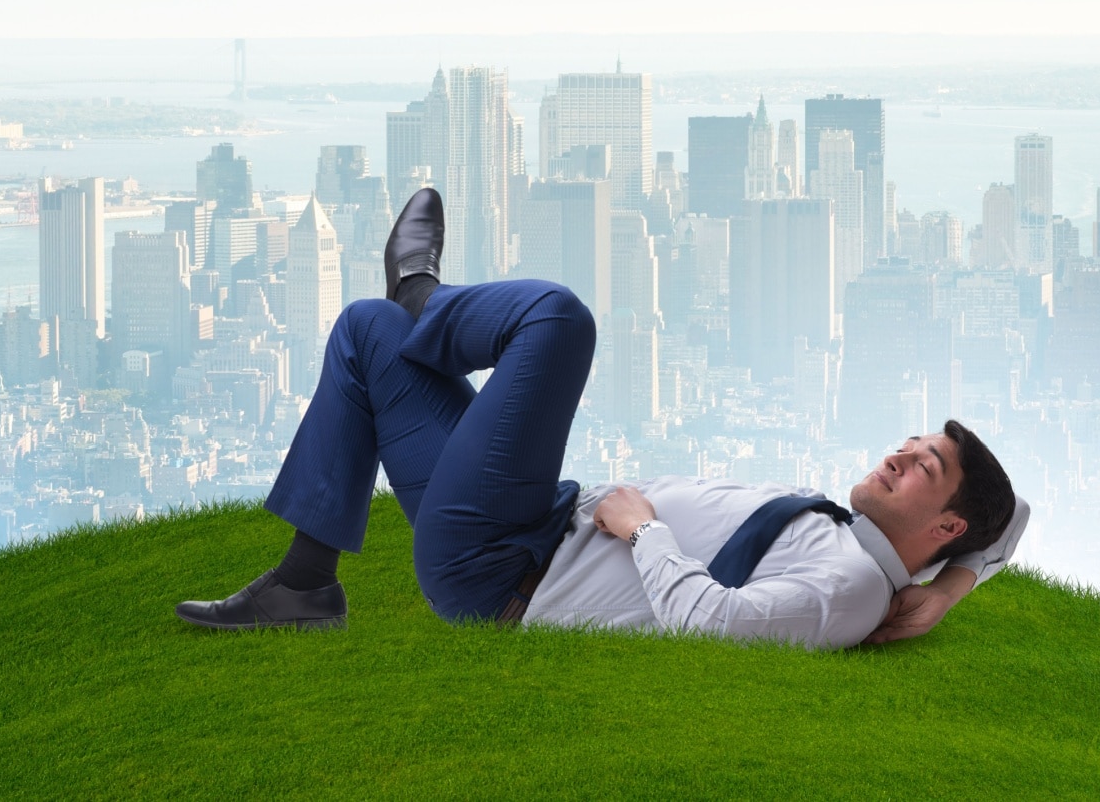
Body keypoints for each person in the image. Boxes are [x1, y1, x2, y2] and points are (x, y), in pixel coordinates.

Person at [177, 189, 1030, 649]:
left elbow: (715, 626)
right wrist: (949, 588)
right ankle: (305, 584)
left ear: (946, 522)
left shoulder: (846, 589)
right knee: (367, 331)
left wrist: (644, 528)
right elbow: (1013, 515)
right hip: (527, 520)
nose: (897, 456)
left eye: (922, 467)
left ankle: (423, 293)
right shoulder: (885, 552)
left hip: (505, 567)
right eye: (911, 443)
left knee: (558, 320)